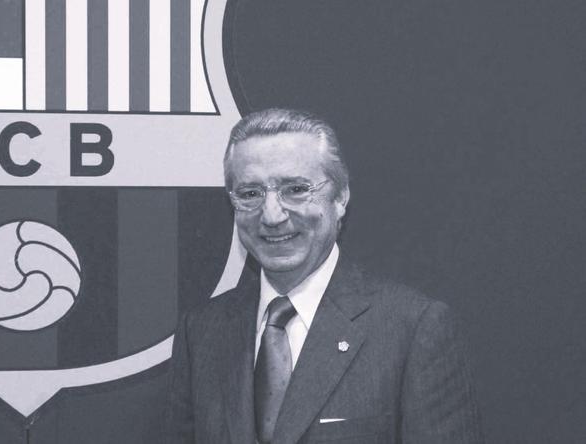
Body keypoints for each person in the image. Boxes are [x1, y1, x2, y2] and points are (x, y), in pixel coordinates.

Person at [166, 108, 483, 443]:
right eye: (250, 194)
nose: (271, 215)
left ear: (340, 197)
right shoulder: (202, 333)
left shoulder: (412, 329)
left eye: (295, 189)